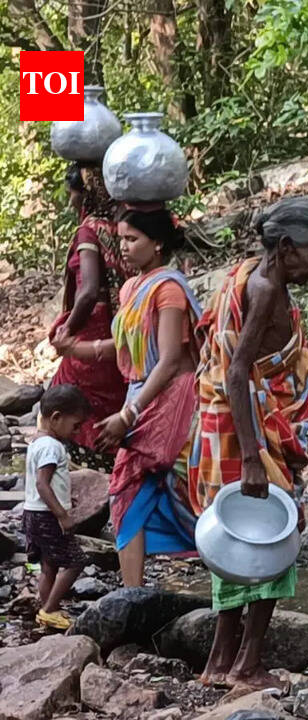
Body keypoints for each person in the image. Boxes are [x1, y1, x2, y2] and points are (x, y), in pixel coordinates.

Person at [187, 197, 308, 688]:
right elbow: (235, 370)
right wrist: (253, 457)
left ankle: (217, 663)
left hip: (223, 426)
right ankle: (247, 665)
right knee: (274, 541)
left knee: (236, 543)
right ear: (287, 247)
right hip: (246, 430)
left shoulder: (243, 273)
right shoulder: (267, 287)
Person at [53, 207, 203, 586]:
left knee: (179, 486)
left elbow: (169, 360)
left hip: (173, 397)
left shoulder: (168, 289)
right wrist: (73, 349)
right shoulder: (130, 287)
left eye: (132, 239)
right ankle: (133, 593)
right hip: (142, 393)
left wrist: (130, 413)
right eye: (121, 238)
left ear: (157, 244)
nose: (123, 246)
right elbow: (117, 345)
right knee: (128, 490)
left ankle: (227, 562)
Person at [48, 164, 128, 459]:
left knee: (66, 403)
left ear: (85, 194)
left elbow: (89, 290)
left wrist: (66, 334)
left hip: (93, 329)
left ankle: (79, 470)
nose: (70, 202)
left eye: (72, 194)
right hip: (117, 327)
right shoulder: (122, 227)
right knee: (110, 398)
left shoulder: (89, 230)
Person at [23, 385, 91, 630]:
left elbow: (45, 483)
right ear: (56, 418)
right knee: (76, 561)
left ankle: (46, 608)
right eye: (75, 425)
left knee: (49, 566)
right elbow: (43, 484)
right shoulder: (53, 446)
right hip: (48, 517)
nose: (77, 431)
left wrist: (64, 498)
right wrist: (62, 515)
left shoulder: (37, 443)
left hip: (33, 513)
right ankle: (49, 609)